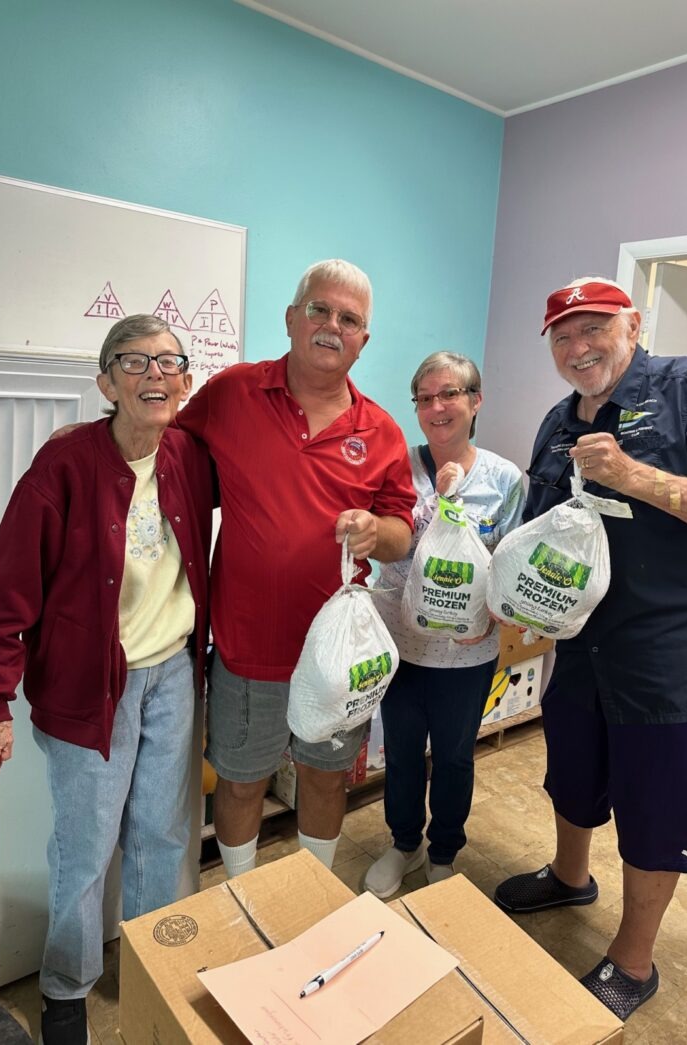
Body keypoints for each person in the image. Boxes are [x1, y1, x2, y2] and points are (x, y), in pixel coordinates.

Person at [492, 278, 687, 1020]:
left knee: (658, 804)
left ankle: (634, 961)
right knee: (574, 771)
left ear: (633, 325)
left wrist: (634, 476)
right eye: (561, 335)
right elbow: (540, 528)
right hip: (589, 643)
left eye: (594, 329)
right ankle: (570, 875)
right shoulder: (557, 422)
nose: (578, 348)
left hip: (683, 654)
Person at [0, 315, 213, 1045]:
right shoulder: (64, 465)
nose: (155, 374)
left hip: (172, 673)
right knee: (84, 848)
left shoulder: (188, 456)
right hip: (90, 687)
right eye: (135, 361)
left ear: (184, 380)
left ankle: (150, 970)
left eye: (169, 362)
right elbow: (4, 593)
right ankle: (65, 989)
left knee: (163, 835)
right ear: (106, 382)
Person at [175, 259, 415, 878]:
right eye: (319, 309)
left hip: (337, 658)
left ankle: (311, 894)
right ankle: (242, 895)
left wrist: (374, 532)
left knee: (325, 779)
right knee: (239, 783)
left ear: (364, 340)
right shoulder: (232, 393)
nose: (332, 326)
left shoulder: (382, 431)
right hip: (246, 647)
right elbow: (167, 453)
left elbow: (401, 533)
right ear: (291, 318)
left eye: (349, 319)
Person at [363, 352, 525, 898]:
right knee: (403, 752)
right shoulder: (395, 467)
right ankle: (403, 842)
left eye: (450, 394)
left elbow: (512, 564)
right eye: (425, 398)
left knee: (454, 756)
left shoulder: (504, 479)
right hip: (401, 644)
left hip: (466, 652)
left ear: (475, 401)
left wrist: (496, 618)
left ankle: (443, 852)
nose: (437, 407)